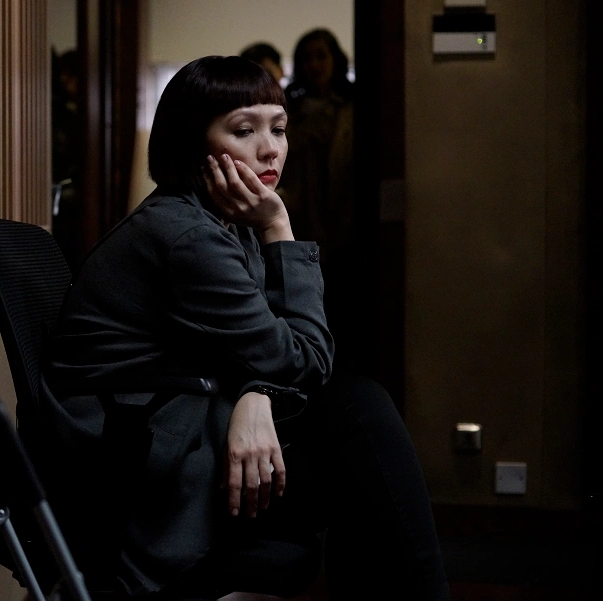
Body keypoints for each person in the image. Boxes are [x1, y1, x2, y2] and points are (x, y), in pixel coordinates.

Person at [37, 56, 448, 599]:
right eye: (244, 130)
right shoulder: (189, 236)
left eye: (278, 128)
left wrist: (258, 392)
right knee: (358, 421)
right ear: (195, 144)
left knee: (359, 436)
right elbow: (305, 360)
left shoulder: (218, 220)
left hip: (179, 423)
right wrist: (280, 225)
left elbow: (269, 351)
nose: (270, 147)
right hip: (137, 469)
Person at [278, 29, 356, 367]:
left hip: (343, 217)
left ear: (335, 59)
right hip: (298, 215)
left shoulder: (352, 107)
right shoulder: (288, 110)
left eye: (321, 56)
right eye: (307, 57)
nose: (314, 65)